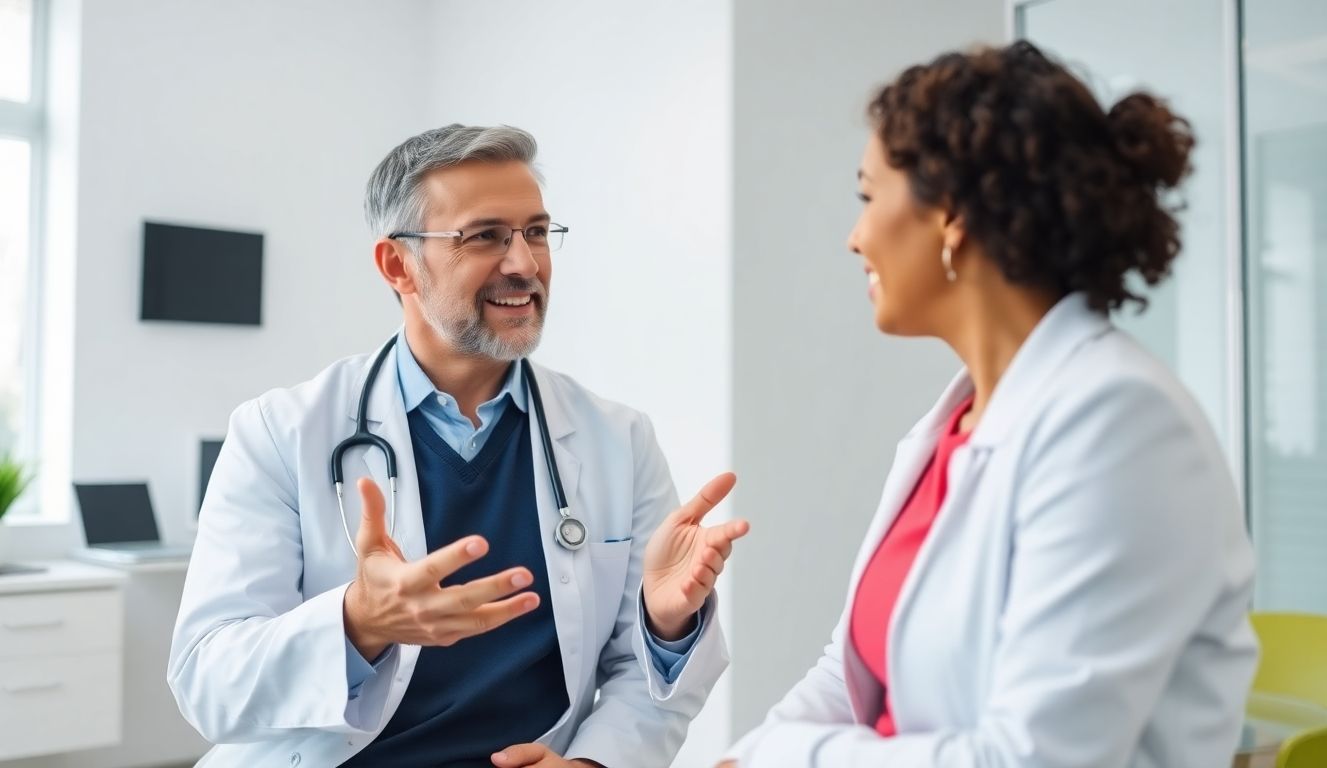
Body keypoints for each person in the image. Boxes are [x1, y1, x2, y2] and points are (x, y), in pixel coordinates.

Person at [720, 41, 1257, 767]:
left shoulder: (1121, 424)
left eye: (868, 197)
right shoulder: (955, 425)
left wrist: (783, 759)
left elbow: (1033, 759)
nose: (855, 238)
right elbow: (852, 678)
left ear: (951, 212)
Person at [169, 124, 748, 768]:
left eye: (535, 232)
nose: (524, 264)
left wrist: (603, 741)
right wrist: (360, 622)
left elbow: (644, 677)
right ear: (398, 266)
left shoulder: (618, 439)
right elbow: (207, 681)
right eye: (486, 236)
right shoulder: (281, 432)